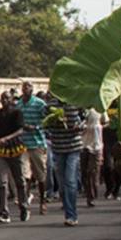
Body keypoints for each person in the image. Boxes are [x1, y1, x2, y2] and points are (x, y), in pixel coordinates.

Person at [45, 96, 87, 226]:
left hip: (73, 146)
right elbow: (45, 124)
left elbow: (85, 119)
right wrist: (54, 122)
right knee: (62, 184)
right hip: (58, 147)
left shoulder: (75, 102)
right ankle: (67, 210)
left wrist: (79, 127)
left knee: (70, 180)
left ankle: (72, 215)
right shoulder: (50, 105)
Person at [0, 91, 30, 222]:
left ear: (11, 99)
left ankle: (23, 206)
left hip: (15, 148)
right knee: (2, 182)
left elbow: (20, 130)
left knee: (19, 180)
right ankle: (3, 212)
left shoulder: (17, 112)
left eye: (7, 98)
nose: (4, 101)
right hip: (2, 150)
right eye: (2, 98)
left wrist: (7, 138)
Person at [18, 80, 49, 212]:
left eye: (28, 87)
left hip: (37, 142)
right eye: (24, 87)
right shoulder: (18, 105)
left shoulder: (39, 104)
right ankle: (25, 200)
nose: (25, 89)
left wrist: (35, 127)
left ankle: (42, 200)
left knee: (40, 175)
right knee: (24, 174)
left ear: (32, 89)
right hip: (23, 144)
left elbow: (47, 121)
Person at [81, 105, 104, 208]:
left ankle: (92, 196)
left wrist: (98, 128)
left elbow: (105, 122)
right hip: (83, 145)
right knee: (84, 173)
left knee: (92, 172)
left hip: (96, 145)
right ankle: (88, 193)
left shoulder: (100, 109)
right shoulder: (82, 110)